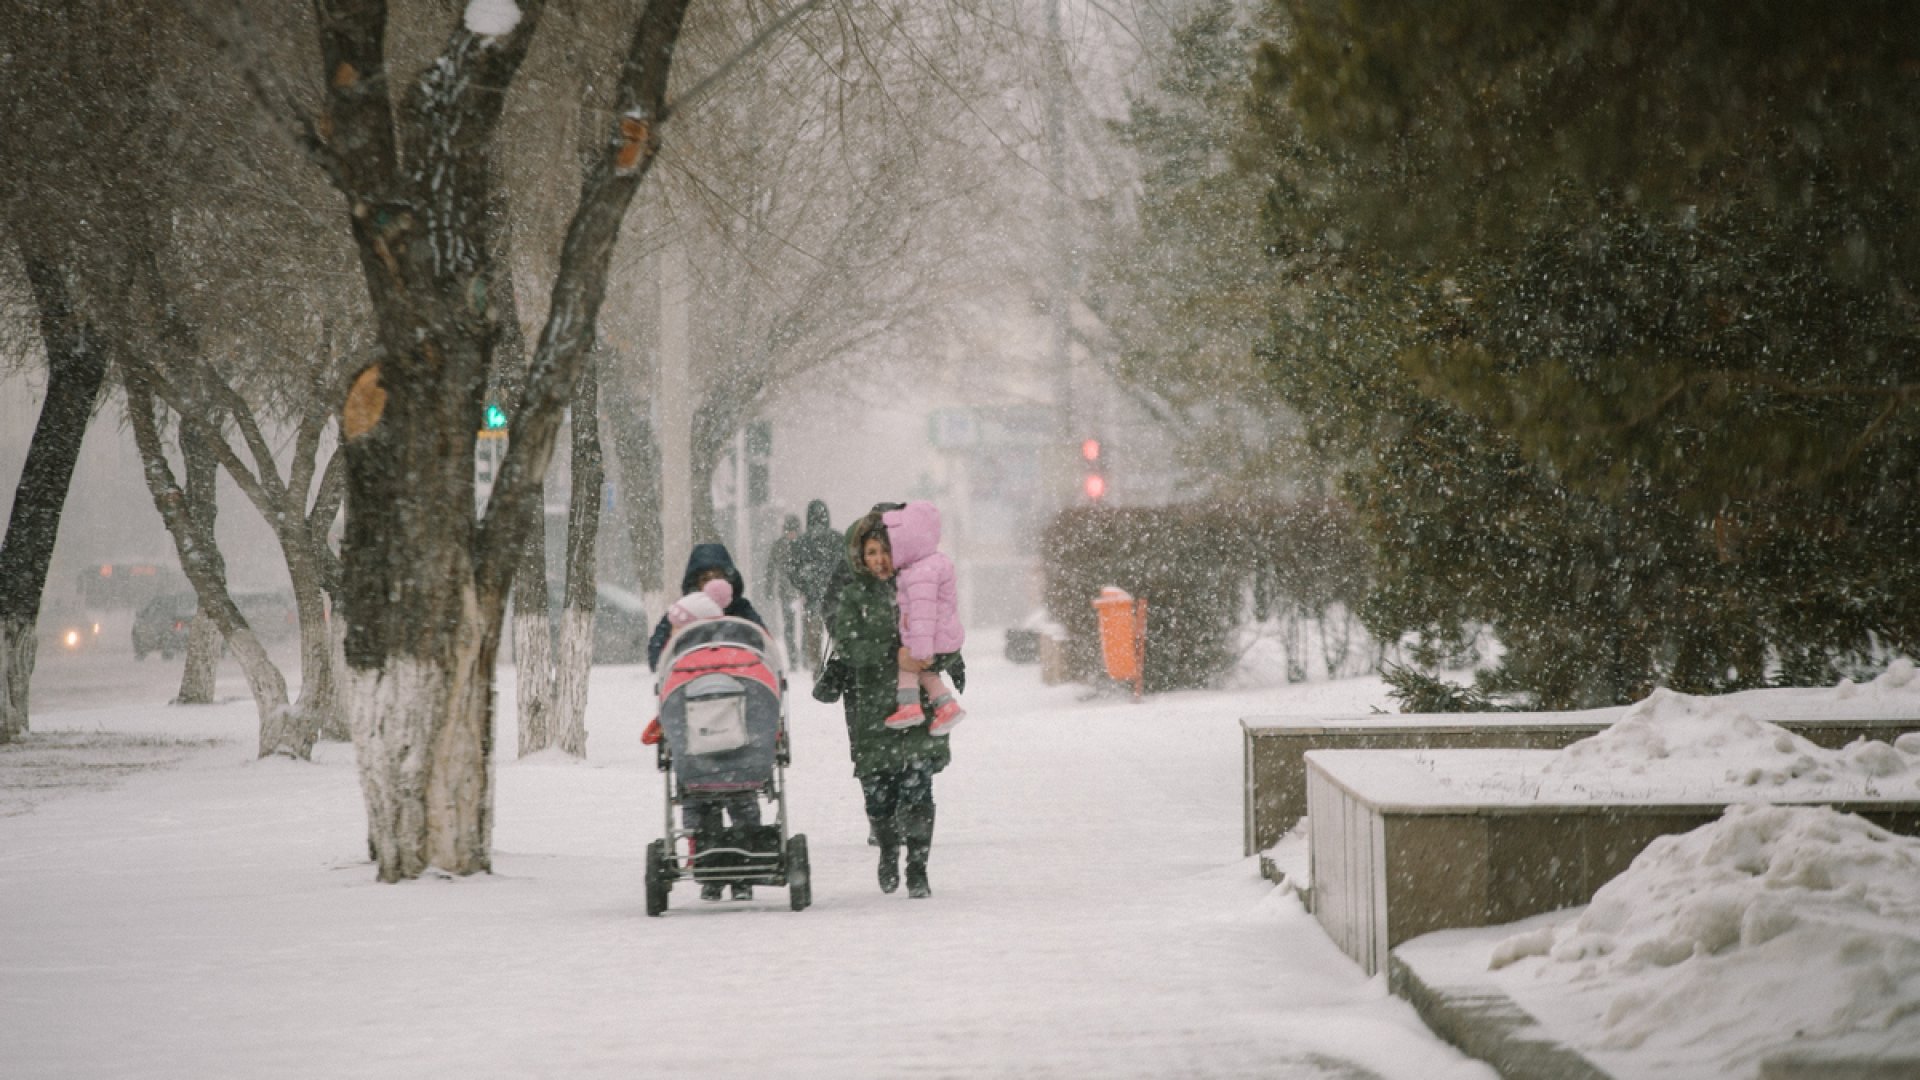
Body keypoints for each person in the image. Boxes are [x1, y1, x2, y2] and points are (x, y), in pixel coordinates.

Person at [830, 510, 963, 899]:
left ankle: (918, 869)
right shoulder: (855, 596)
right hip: (875, 713)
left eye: (885, 550)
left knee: (919, 793)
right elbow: (847, 646)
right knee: (879, 798)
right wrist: (893, 656)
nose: (879, 560)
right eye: (871, 552)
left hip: (919, 711)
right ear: (860, 556)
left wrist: (934, 660)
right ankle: (888, 849)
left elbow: (948, 636)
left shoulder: (919, 583)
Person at [646, 543, 768, 901]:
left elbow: (765, 648)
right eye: (704, 579)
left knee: (743, 796)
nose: (713, 584)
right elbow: (658, 655)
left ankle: (745, 868)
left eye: (719, 577)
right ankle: (708, 867)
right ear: (693, 585)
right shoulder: (680, 616)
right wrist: (675, 633)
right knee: (699, 801)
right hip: (693, 722)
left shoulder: (743, 614)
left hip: (742, 721)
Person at [878, 500, 966, 736]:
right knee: (927, 673)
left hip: (929, 640)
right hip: (942, 638)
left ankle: (909, 706)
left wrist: (919, 650)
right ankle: (947, 706)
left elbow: (923, 615)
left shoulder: (920, 573)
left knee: (908, 666)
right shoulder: (933, 563)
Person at [785, 499, 840, 672]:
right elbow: (845, 566)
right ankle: (838, 667)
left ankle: (817, 668)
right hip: (835, 596)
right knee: (837, 634)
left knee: (813, 637)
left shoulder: (801, 542)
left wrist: (804, 587)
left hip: (812, 597)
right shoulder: (837, 539)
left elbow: (792, 570)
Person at [763, 513, 804, 665]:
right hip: (786, 591)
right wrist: (769, 587)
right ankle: (793, 657)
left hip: (801, 591)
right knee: (789, 626)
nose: (791, 534)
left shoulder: (801, 545)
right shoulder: (779, 546)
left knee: (804, 625)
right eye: (789, 531)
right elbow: (771, 568)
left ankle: (805, 655)